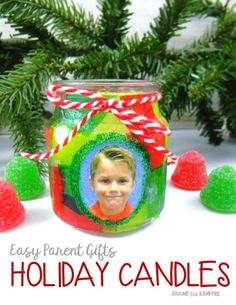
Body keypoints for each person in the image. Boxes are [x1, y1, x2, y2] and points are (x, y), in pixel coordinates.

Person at [90, 145, 136, 221]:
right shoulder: (84, 216)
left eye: (122, 181)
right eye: (105, 181)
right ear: (92, 184)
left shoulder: (137, 217)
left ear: (133, 185)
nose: (113, 189)